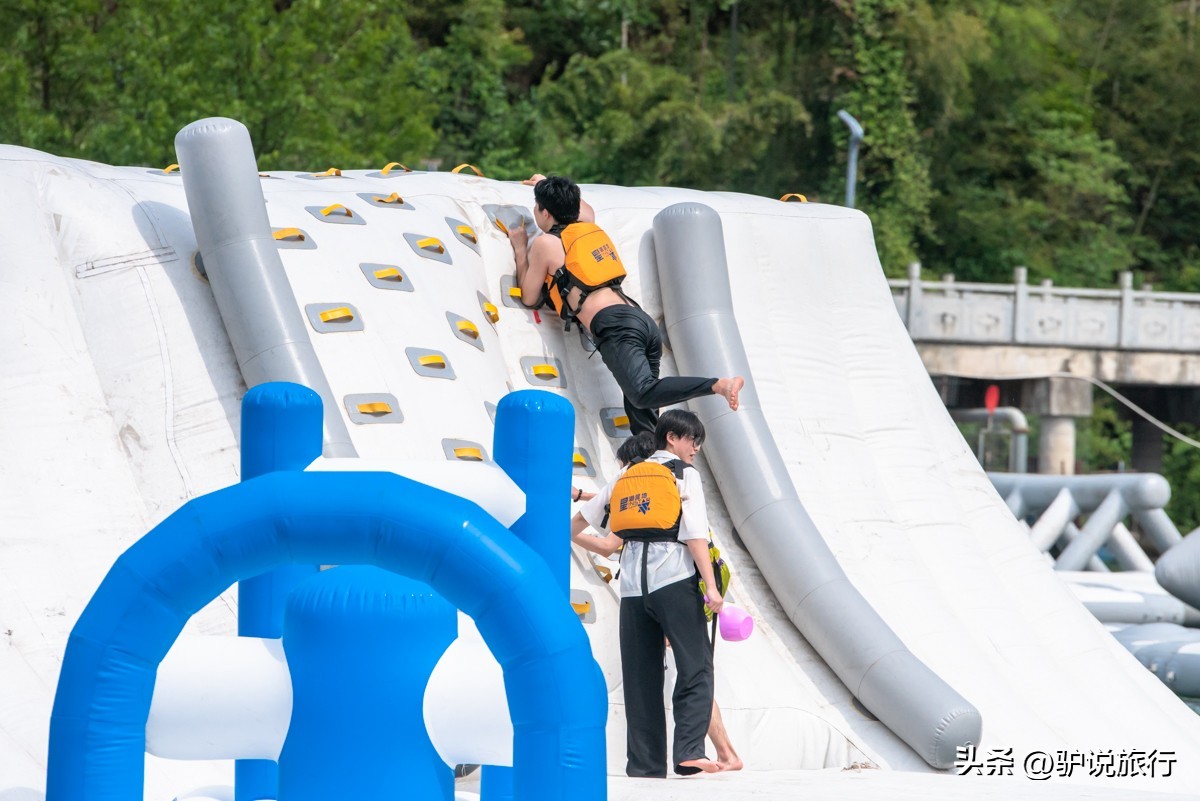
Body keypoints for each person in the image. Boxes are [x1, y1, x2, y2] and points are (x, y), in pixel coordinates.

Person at [507, 174, 744, 436]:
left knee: (642, 393)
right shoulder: (587, 224)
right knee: (644, 422)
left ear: (545, 212)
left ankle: (717, 385)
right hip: (640, 320)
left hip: (616, 325)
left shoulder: (545, 243)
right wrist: (546, 180)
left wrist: (520, 249)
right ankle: (653, 465)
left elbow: (529, 297)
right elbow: (582, 208)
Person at [573, 431, 744, 773]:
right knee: (696, 668)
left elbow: (585, 522)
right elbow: (695, 533)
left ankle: (644, 767)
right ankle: (690, 751)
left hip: (634, 589)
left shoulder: (625, 478)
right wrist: (711, 588)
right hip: (674, 580)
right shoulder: (682, 473)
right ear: (672, 438)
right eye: (693, 440)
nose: (696, 448)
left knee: (639, 678)